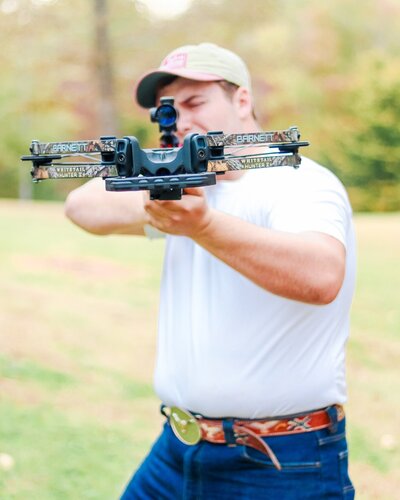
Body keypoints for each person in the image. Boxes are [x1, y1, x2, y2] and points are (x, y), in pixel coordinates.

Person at [65, 43, 356, 499]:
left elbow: (321, 277)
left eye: (195, 103)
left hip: (279, 460)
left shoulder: (299, 180)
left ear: (242, 100)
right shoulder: (185, 186)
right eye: (168, 109)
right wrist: (159, 190)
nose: (180, 120)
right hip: (177, 450)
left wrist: (204, 225)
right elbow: (81, 206)